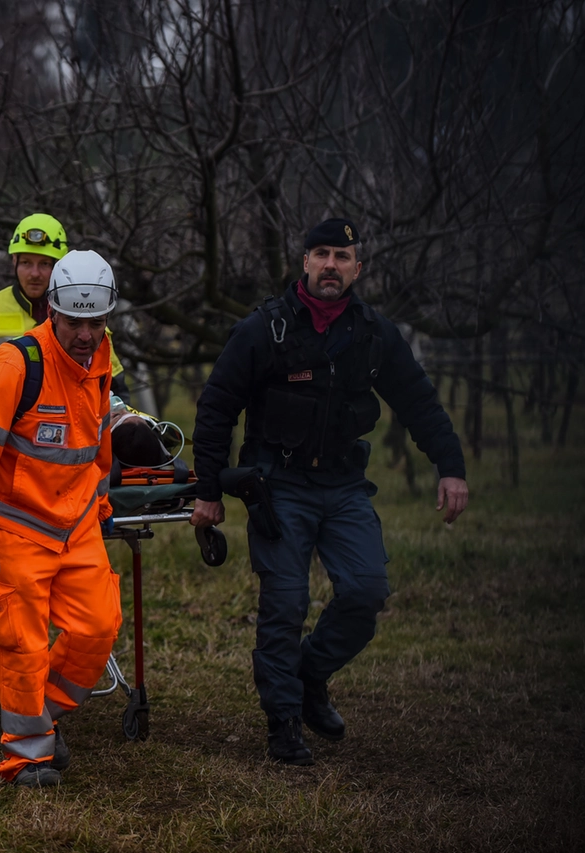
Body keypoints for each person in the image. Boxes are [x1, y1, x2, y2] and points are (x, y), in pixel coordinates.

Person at [189, 217, 469, 765]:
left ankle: (310, 673)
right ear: (305, 262)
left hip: (343, 485)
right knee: (285, 605)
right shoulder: (265, 328)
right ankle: (284, 724)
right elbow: (217, 406)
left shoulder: (372, 333)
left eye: (342, 257)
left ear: (357, 268)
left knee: (366, 592)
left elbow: (418, 401)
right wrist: (208, 490)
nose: (331, 266)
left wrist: (450, 466)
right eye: (321, 254)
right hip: (280, 485)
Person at [0, 249, 122, 788]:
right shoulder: (12, 366)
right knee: (21, 645)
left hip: (75, 526)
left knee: (98, 628)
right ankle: (27, 757)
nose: (86, 335)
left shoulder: (100, 359)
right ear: (52, 310)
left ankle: (41, 716)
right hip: (14, 530)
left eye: (96, 323)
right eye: (75, 323)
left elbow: (92, 442)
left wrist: (101, 503)